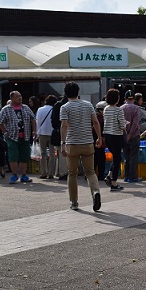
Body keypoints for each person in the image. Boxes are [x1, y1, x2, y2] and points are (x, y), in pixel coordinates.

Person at [59, 81, 102, 211]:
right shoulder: (88, 105)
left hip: (72, 144)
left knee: (72, 173)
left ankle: (74, 202)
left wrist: (63, 143)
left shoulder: (65, 107)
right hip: (88, 142)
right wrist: (99, 137)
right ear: (78, 92)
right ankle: (95, 192)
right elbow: (95, 121)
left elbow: (64, 125)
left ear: (66, 94)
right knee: (90, 171)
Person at [0, 91, 37, 184]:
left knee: (24, 156)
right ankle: (14, 175)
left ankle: (24, 175)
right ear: (12, 98)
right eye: (17, 96)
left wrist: (34, 130)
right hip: (12, 137)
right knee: (13, 156)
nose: (20, 98)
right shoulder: (6, 109)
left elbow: (33, 119)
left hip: (25, 136)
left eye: (20, 96)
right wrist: (5, 132)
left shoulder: (26, 108)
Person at [102, 89, 126, 192]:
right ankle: (114, 183)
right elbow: (122, 124)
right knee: (117, 159)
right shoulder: (118, 110)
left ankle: (109, 176)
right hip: (116, 136)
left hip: (107, 136)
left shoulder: (106, 109)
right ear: (117, 99)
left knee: (116, 158)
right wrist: (125, 124)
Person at [121, 90, 141, 183]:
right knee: (133, 156)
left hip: (123, 135)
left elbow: (120, 123)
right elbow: (135, 123)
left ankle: (126, 175)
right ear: (134, 99)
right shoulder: (136, 108)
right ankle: (133, 177)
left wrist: (126, 133)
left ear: (125, 98)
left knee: (126, 156)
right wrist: (130, 134)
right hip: (134, 136)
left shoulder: (120, 108)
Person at [36, 95, 58, 179]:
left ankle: (43, 172)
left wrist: (37, 133)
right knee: (52, 154)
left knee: (43, 154)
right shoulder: (54, 109)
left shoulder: (40, 109)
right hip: (52, 133)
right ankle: (51, 173)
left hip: (42, 133)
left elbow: (37, 121)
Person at [51, 95, 69, 180]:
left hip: (57, 131)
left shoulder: (57, 105)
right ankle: (64, 173)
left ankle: (58, 172)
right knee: (64, 154)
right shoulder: (68, 105)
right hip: (66, 130)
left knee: (59, 152)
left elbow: (53, 120)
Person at [94, 101, 107, 179]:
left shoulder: (94, 116)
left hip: (93, 138)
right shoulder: (100, 117)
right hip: (98, 138)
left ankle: (90, 174)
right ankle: (101, 175)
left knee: (95, 157)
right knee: (101, 157)